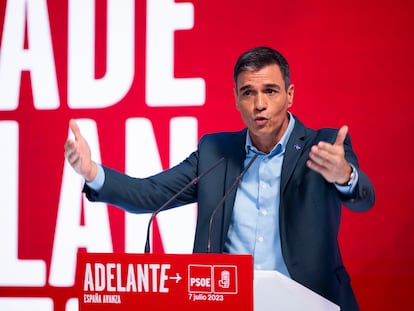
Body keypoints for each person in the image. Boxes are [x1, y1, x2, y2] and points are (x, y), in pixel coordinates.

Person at [65, 46, 375, 310]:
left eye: (270, 91)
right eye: (248, 93)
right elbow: (151, 193)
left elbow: (364, 198)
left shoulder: (323, 146)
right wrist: (92, 172)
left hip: (309, 302)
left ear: (290, 95)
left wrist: (344, 176)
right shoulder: (216, 153)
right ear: (236, 99)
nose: (259, 104)